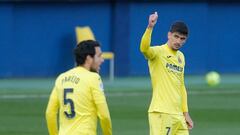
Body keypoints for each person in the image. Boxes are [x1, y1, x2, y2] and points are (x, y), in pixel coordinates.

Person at [140, 12, 194, 135]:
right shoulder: (158, 52)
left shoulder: (181, 57)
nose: (178, 41)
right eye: (176, 36)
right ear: (169, 35)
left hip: (178, 115)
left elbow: (181, 86)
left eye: (182, 39)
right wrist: (150, 27)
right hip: (161, 113)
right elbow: (144, 49)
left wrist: (185, 113)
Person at [45, 40, 112, 135]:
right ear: (89, 58)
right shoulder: (94, 78)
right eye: (99, 56)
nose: (102, 60)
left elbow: (50, 113)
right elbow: (104, 116)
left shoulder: (61, 78)